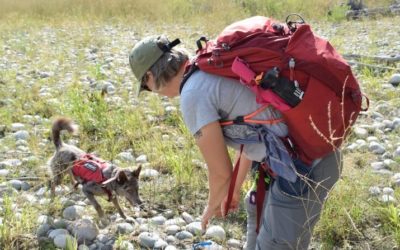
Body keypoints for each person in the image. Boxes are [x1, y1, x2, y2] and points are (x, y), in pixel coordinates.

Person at [128, 35, 343, 250]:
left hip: (303, 168)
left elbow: (220, 173)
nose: (154, 93)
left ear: (150, 76)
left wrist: (209, 210)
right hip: (310, 156)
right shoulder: (208, 69)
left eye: (146, 87)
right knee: (255, 209)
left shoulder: (192, 94)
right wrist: (233, 189)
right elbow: (252, 134)